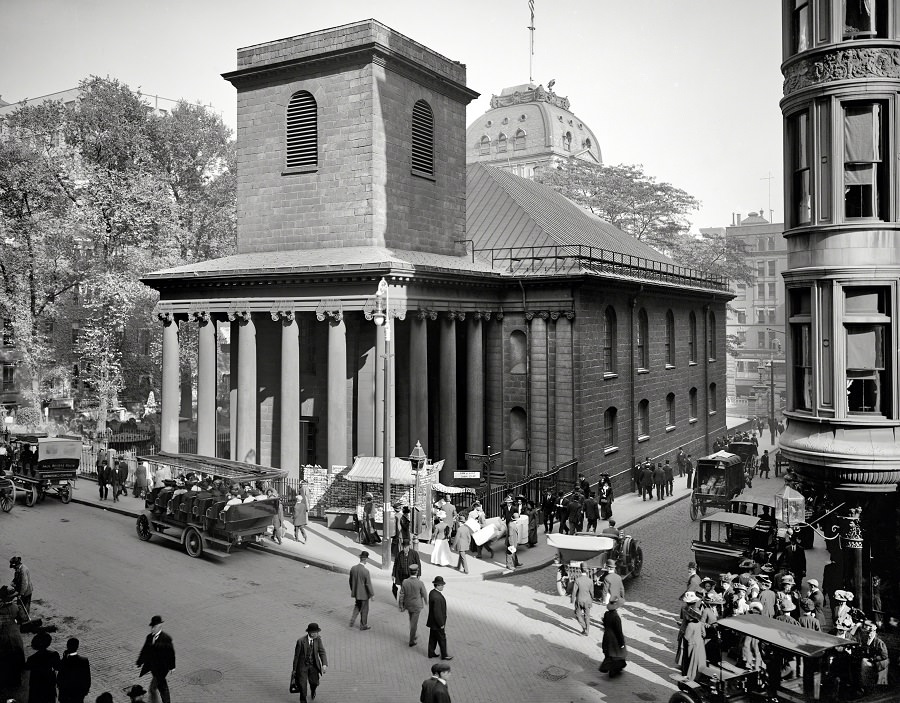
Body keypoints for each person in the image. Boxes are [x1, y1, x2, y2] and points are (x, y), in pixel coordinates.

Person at [135, 615, 175, 703]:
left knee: (152, 689)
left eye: (154, 627)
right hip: (153, 667)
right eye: (152, 627)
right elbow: (145, 650)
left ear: (159, 626)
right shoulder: (149, 637)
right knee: (162, 686)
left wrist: (172, 667)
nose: (152, 629)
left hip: (162, 668)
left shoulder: (166, 639)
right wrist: (140, 661)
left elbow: (171, 653)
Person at [0, 585, 28, 693]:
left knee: (4, 658)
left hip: (2, 636)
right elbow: (23, 619)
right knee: (16, 656)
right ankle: (16, 681)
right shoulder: (15, 607)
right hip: (14, 635)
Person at [291, 622, 327, 703]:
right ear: (310, 633)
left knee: (314, 683)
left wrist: (324, 664)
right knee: (302, 685)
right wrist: (294, 669)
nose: (317, 634)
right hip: (302, 666)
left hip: (313, 665)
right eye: (315, 632)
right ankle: (303, 700)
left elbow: (322, 652)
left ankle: (313, 690)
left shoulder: (318, 640)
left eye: (317, 632)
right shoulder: (300, 641)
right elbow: (296, 656)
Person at [25, 630, 60, 703]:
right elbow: (58, 667)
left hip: (36, 688)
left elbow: (26, 667)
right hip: (48, 687)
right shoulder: (54, 655)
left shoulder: (31, 659)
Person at [399, 563, 428, 648]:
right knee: (414, 623)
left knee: (411, 620)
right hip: (416, 606)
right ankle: (411, 640)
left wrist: (401, 605)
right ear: (417, 572)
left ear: (409, 571)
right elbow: (424, 593)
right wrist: (426, 601)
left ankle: (413, 635)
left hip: (408, 605)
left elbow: (402, 594)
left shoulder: (405, 582)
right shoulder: (420, 583)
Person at [57, 637, 92, 703]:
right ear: (77, 646)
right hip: (78, 693)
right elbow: (87, 677)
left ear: (67, 646)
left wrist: (64, 657)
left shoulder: (65, 661)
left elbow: (60, 672)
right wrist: (85, 689)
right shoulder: (84, 660)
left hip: (65, 693)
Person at [426, 576, 452, 660]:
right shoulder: (437, 597)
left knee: (433, 638)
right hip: (437, 623)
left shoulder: (432, 593)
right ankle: (444, 655)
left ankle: (431, 653)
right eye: (442, 585)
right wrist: (441, 624)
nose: (443, 586)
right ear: (438, 585)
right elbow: (437, 612)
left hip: (432, 622)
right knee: (442, 639)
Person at [600, 601, 627, 678]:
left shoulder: (606, 614)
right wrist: (621, 642)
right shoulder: (616, 617)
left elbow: (604, 624)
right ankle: (614, 670)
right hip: (614, 639)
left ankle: (611, 669)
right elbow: (619, 631)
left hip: (606, 637)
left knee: (608, 654)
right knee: (616, 655)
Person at [348, 551, 374, 631]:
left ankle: (352, 619)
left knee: (357, 605)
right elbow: (368, 584)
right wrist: (372, 594)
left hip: (356, 593)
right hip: (364, 595)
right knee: (365, 609)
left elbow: (350, 581)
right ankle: (363, 625)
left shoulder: (353, 568)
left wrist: (353, 590)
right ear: (365, 559)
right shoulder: (366, 571)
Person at [681, 604, 706, 680]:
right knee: (699, 661)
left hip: (692, 645)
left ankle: (689, 676)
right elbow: (704, 634)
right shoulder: (700, 623)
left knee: (690, 661)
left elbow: (686, 637)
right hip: (700, 644)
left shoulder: (690, 625)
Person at [571, 565, 594, 636]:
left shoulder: (577, 580)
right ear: (587, 571)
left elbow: (574, 591)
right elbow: (592, 592)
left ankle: (584, 628)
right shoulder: (590, 581)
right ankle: (587, 630)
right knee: (587, 616)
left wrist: (572, 600)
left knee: (578, 614)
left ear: (580, 570)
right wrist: (592, 599)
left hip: (579, 600)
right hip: (587, 600)